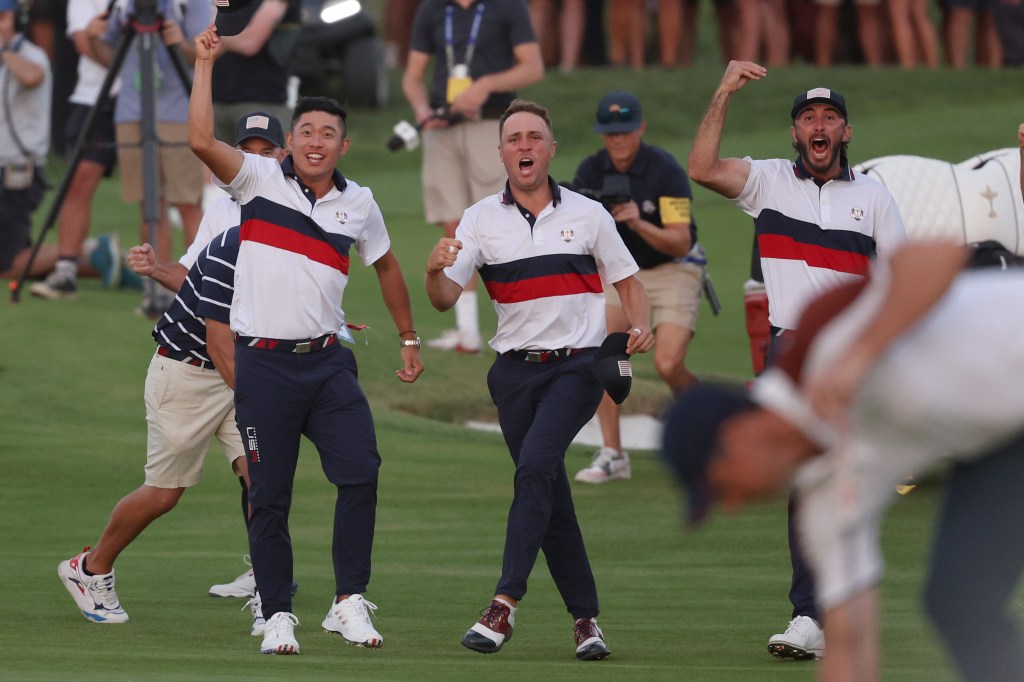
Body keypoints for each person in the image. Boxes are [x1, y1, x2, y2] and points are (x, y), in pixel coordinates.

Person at [662, 240, 1024, 682]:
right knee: (959, 603)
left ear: (735, 438)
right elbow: (850, 645)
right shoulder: (821, 506)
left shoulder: (820, 338)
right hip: (1001, 441)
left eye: (720, 489)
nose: (733, 506)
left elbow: (939, 255)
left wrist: (863, 352)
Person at [189, 23, 425, 656]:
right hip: (263, 367)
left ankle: (348, 601)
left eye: (328, 134)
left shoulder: (361, 202)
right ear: (289, 141)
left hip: (326, 365)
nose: (316, 143)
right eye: (307, 133)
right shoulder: (258, 180)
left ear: (343, 144)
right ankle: (278, 611)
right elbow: (197, 139)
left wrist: (409, 336)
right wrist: (205, 65)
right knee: (268, 496)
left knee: (362, 471)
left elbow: (387, 265)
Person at [687, 60, 907, 660]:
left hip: (852, 355)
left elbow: (901, 286)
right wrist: (723, 90)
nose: (819, 125)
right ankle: (813, 613)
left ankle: (826, 610)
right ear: (794, 133)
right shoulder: (769, 183)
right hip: (790, 352)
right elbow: (702, 168)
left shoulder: (875, 199)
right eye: (808, 117)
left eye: (830, 117)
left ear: (846, 132)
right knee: (809, 481)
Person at [424, 98, 653, 660]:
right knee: (549, 492)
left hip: (577, 366)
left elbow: (628, 281)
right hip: (512, 376)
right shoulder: (478, 218)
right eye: (514, 138)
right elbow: (442, 299)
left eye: (534, 137)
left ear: (551, 148)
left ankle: (503, 604)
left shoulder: (588, 213)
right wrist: (432, 269)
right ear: (500, 152)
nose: (524, 146)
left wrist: (641, 324)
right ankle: (587, 621)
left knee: (534, 468)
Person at [59, 111, 289, 632]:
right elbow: (202, 294)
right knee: (164, 493)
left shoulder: (290, 211)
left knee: (261, 478)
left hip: (241, 365)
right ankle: (89, 568)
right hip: (190, 367)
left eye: (267, 150)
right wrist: (160, 267)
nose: (255, 159)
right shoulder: (226, 209)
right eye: (246, 149)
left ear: (285, 156)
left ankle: (269, 588)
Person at [571, 90, 703, 484]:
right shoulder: (590, 171)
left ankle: (709, 428)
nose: (619, 140)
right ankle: (613, 452)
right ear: (602, 135)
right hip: (620, 274)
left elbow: (681, 240)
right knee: (604, 354)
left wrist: (636, 222)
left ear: (640, 128)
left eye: (626, 131)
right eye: (611, 133)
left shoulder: (665, 170)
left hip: (673, 269)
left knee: (667, 364)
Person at [402, 0, 544, 354]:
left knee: (504, 222)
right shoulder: (433, 9)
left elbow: (532, 68)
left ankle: (524, 322)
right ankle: (468, 333)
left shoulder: (506, 6)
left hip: (490, 123)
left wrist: (486, 84)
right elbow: (413, 76)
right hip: (442, 128)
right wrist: (422, 110)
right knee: (454, 227)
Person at [87, 0, 211, 315]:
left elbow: (205, 53)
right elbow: (109, 57)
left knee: (187, 202)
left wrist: (177, 41)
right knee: (149, 205)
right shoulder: (126, 6)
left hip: (177, 113)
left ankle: (205, 286)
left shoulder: (189, 4)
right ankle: (155, 288)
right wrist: (92, 38)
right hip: (131, 113)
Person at [28, 0, 128, 299]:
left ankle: (167, 281)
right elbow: (84, 41)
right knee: (79, 181)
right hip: (94, 96)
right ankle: (66, 269)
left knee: (156, 191)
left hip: (148, 99)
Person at [0, 0, 51, 282]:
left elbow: (32, 76)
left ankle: (81, 252)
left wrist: (5, 49)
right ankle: (87, 260)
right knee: (12, 251)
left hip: (17, 171)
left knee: (6, 266)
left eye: (3, 17)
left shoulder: (31, 55)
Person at [211, 0, 300, 146]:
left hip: (262, 102)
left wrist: (212, 32)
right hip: (217, 99)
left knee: (262, 166)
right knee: (213, 166)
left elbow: (249, 43)